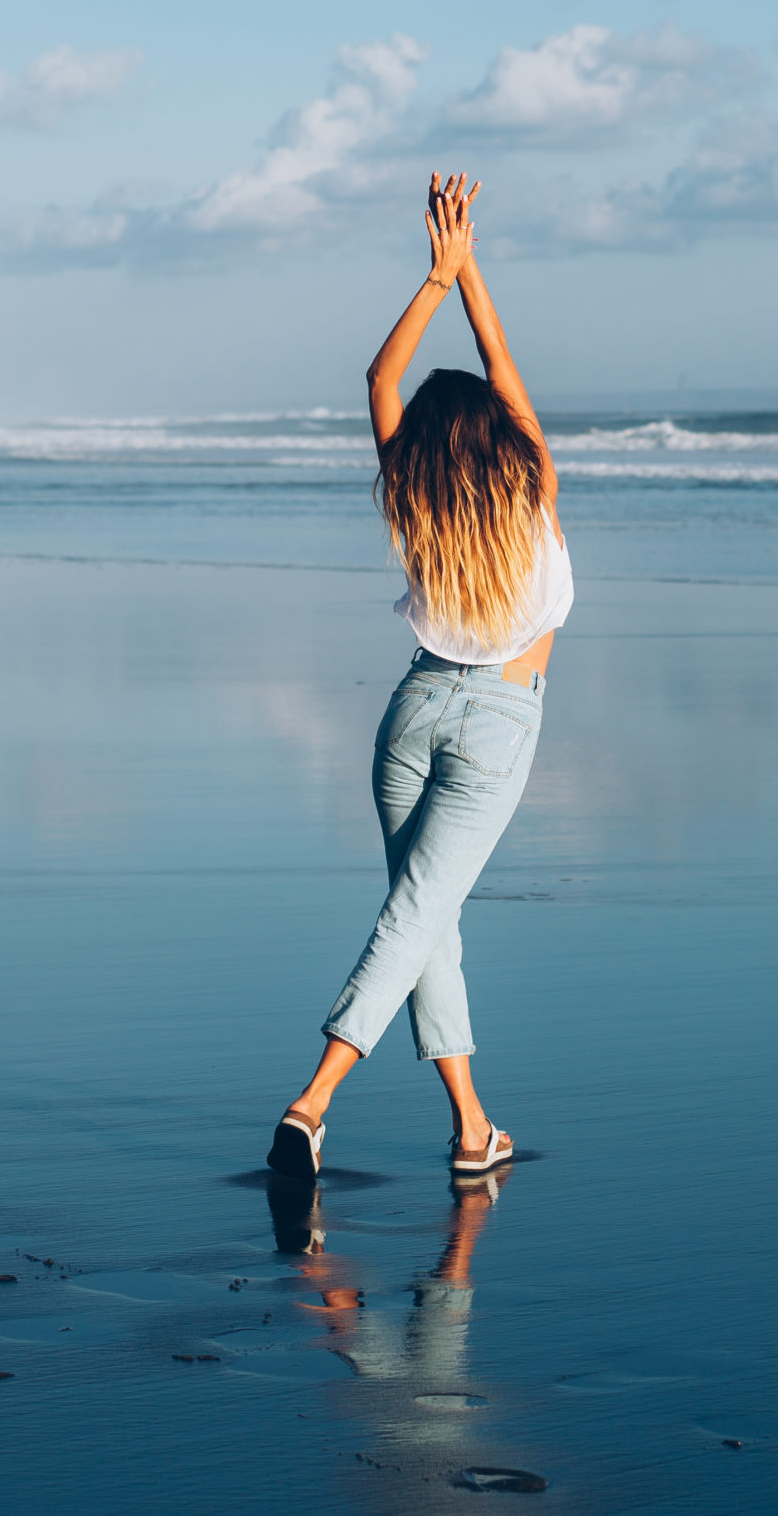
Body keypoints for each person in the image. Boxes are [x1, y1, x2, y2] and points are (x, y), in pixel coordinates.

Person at [265, 172, 571, 1181]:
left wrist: (438, 276)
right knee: (414, 918)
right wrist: (469, 274)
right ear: (493, 435)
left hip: (411, 710)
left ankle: (472, 1130)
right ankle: (311, 1103)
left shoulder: (412, 497)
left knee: (424, 919)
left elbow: (377, 383)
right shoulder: (531, 477)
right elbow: (504, 367)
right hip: (495, 724)